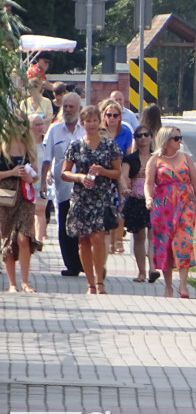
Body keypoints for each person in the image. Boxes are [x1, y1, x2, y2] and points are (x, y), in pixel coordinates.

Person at [61, 105, 122, 295]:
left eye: (95, 120)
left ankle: (100, 281)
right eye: (88, 121)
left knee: (98, 237)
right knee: (83, 240)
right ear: (82, 123)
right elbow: (64, 173)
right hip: (81, 197)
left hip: (100, 197)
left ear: (100, 121)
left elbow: (117, 172)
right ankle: (89, 283)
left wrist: (103, 171)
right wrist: (79, 177)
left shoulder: (109, 146)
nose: (92, 124)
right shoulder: (75, 145)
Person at [146, 127, 196, 298]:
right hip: (163, 208)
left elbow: (195, 181)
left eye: (180, 137)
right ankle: (168, 286)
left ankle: (183, 285)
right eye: (176, 138)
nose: (180, 141)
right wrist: (148, 199)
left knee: (184, 241)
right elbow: (149, 183)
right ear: (166, 141)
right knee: (166, 245)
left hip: (185, 204)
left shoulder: (186, 158)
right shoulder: (155, 160)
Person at [40, 91, 84, 277]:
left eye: (71, 106)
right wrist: (43, 181)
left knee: (83, 226)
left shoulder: (86, 129)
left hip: (84, 187)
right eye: (65, 106)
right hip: (63, 188)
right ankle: (71, 265)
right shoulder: (54, 130)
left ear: (79, 109)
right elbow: (46, 158)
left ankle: (85, 263)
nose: (67, 110)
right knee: (65, 226)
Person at [0, 118, 43, 292]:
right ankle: (12, 283)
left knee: (23, 237)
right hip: (5, 195)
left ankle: (25, 281)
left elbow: (36, 175)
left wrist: (29, 177)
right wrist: (11, 172)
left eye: (22, 123)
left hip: (25, 195)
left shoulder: (29, 146)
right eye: (15, 122)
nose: (19, 126)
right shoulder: (2, 145)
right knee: (8, 238)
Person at [120, 125, 159, 284]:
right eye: (139, 136)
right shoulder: (130, 159)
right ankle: (142, 272)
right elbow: (123, 176)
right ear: (135, 139)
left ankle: (153, 269)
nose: (143, 138)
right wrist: (125, 189)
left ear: (151, 137)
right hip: (136, 201)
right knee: (139, 237)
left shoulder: (157, 158)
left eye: (146, 135)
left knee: (153, 235)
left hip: (154, 202)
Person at [99, 99, 132, 255]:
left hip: (120, 172)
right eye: (109, 115)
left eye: (115, 115)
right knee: (107, 208)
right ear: (104, 116)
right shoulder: (100, 132)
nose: (111, 118)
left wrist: (126, 177)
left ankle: (118, 241)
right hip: (103, 173)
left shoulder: (126, 132)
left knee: (120, 206)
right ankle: (108, 240)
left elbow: (129, 155)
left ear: (120, 117)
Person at [28, 113, 50, 242]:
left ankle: (39, 240)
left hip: (42, 181)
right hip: (28, 181)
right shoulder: (25, 146)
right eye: (37, 124)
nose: (40, 127)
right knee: (30, 211)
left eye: (42, 124)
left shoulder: (46, 144)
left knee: (40, 210)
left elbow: (49, 162)